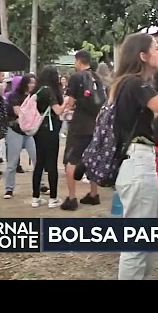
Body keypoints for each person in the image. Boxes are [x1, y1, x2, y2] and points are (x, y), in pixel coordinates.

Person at [111, 33, 158, 280]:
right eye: (156, 48)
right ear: (143, 56)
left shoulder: (128, 83)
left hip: (137, 162)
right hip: (137, 162)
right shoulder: (135, 84)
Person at [61, 50, 104, 210]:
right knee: (92, 158)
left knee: (71, 160)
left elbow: (71, 102)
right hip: (95, 125)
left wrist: (65, 108)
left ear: (78, 61)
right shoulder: (97, 77)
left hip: (79, 126)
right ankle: (94, 194)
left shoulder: (77, 77)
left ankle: (72, 198)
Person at [32, 66, 65, 208]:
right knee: (52, 163)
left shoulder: (37, 90)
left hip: (38, 129)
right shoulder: (50, 91)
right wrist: (67, 103)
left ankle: (35, 197)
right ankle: (53, 198)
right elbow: (57, 110)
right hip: (50, 130)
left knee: (39, 163)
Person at [4, 74, 38, 199]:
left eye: (34, 83)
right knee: (12, 162)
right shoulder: (14, 96)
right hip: (15, 130)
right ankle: (9, 189)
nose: (32, 85)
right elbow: (19, 113)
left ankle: (42, 184)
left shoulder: (35, 96)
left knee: (37, 159)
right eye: (30, 82)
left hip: (30, 132)